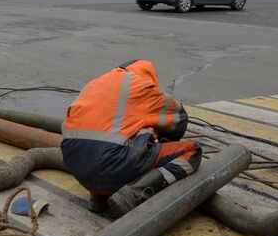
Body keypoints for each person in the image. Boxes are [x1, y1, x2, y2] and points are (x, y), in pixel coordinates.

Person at [61, 59, 202, 216]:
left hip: (74, 164)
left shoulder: (95, 83)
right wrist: (161, 143)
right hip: (111, 164)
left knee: (118, 137)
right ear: (150, 76)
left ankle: (98, 198)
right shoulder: (142, 86)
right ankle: (134, 194)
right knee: (192, 150)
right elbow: (180, 118)